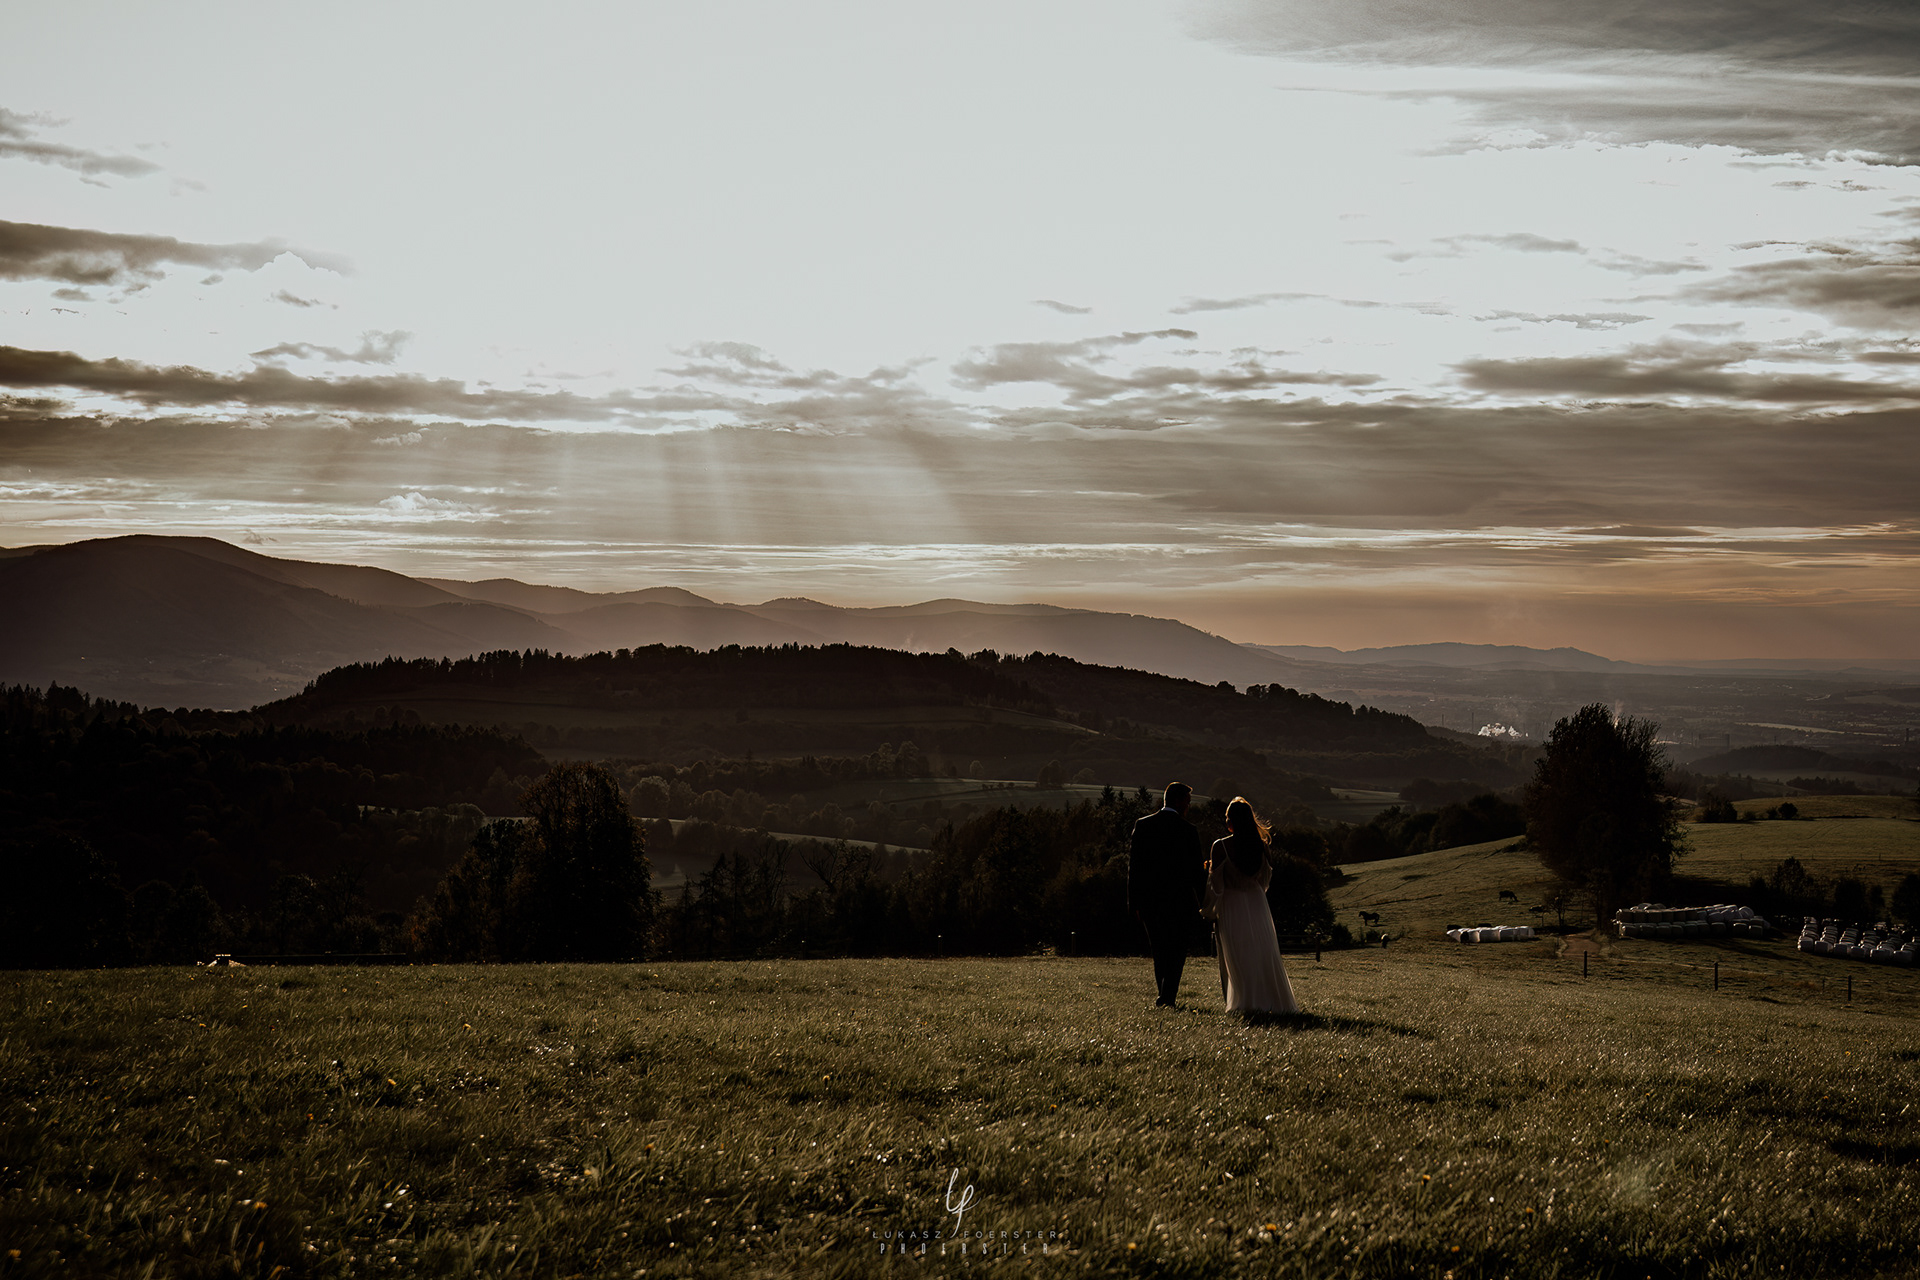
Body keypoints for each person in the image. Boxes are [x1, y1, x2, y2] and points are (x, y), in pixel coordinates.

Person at [1207, 797, 1299, 1015]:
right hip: (1257, 902)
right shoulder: (1262, 847)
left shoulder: (1220, 846)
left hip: (1231, 902)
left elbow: (1216, 886)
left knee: (1238, 953)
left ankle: (1245, 1001)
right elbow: (1265, 881)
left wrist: (1209, 908)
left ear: (1230, 821)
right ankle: (1271, 1001)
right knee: (1261, 951)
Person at [1129, 782, 1205, 1008]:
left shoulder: (1143, 826)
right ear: (1180, 802)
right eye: (1188, 803)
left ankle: (1165, 995)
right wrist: (1204, 903)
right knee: (1177, 950)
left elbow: (1134, 869)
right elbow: (1196, 874)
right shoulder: (1188, 831)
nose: (1189, 807)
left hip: (1150, 901)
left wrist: (1134, 903)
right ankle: (1168, 996)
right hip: (1180, 903)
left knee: (1159, 949)